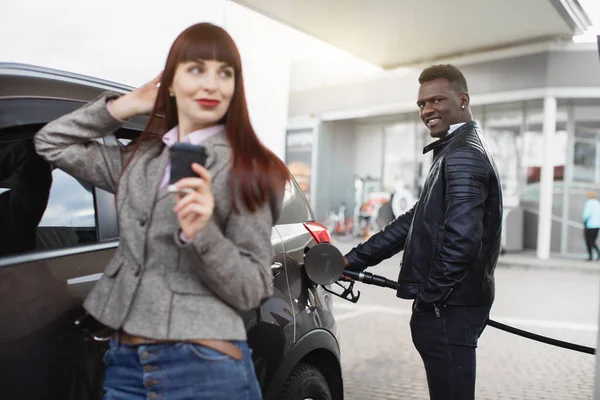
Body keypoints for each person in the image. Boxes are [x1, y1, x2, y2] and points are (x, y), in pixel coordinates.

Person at [34, 22, 289, 400]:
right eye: (196, 69)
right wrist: (125, 105)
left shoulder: (251, 168)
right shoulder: (141, 160)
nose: (211, 84)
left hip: (203, 364)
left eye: (225, 73)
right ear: (170, 82)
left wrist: (203, 233)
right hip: (126, 363)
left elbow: (252, 290)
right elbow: (50, 143)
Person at [344, 64, 503, 400]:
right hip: (452, 306)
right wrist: (352, 260)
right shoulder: (454, 148)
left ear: (462, 100)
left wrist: (429, 301)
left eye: (436, 100)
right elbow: (415, 221)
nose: (427, 110)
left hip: (450, 308)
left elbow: (461, 241)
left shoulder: (463, 154)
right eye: (421, 104)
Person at [582, 191, 600, 261]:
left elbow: (586, 214)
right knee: (593, 241)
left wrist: (584, 220)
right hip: (597, 225)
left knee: (588, 241)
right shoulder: (598, 203)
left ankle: (591, 256)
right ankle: (598, 254)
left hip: (590, 225)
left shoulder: (589, 203)